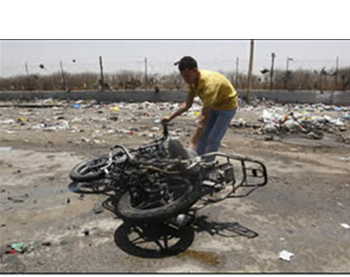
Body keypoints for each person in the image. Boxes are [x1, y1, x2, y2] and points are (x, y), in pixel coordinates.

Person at [161, 56, 238, 159]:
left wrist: (192, 142)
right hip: (215, 106)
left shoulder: (209, 84)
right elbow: (187, 105)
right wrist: (170, 117)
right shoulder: (193, 83)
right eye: (183, 76)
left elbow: (203, 120)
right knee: (203, 136)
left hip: (227, 107)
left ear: (195, 71)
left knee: (213, 139)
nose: (185, 80)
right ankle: (197, 161)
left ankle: (207, 169)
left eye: (187, 76)